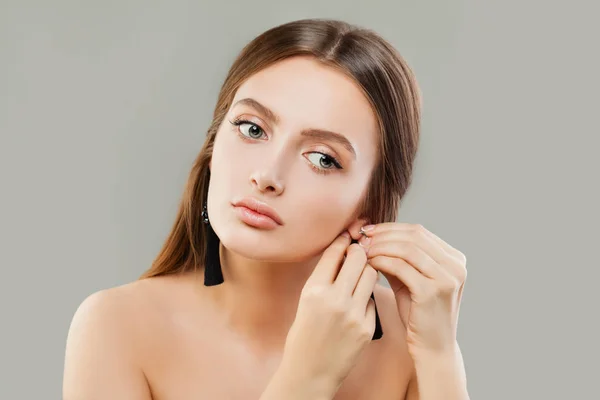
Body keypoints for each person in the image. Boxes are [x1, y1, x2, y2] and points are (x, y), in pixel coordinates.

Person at [63, 18, 469, 400]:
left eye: (323, 158)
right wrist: (307, 377)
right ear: (213, 144)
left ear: (371, 204)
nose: (267, 175)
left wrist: (439, 356)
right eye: (252, 129)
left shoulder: (410, 339)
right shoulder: (118, 327)